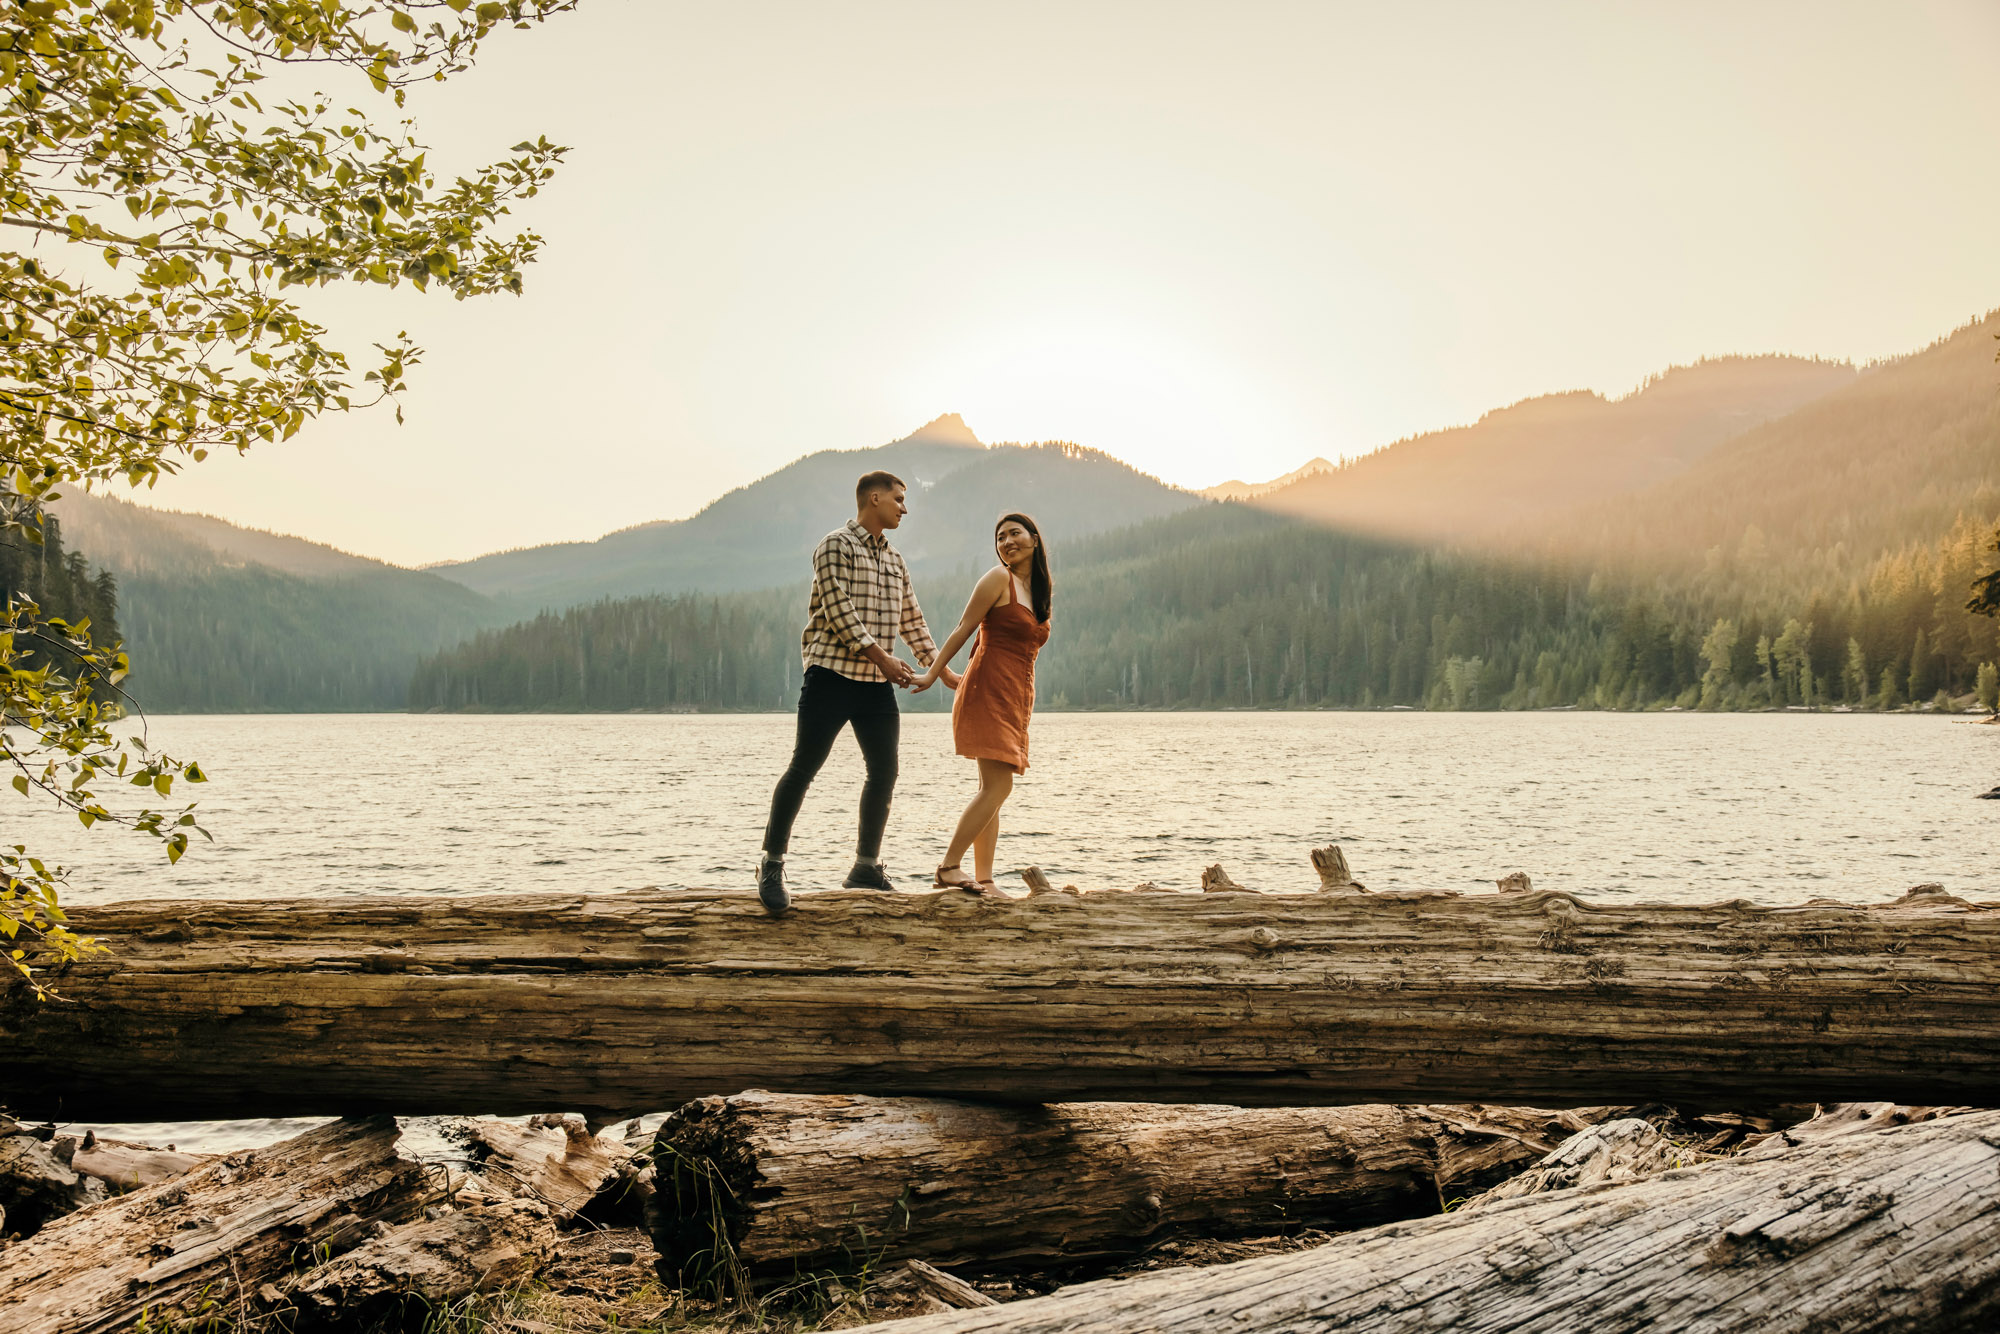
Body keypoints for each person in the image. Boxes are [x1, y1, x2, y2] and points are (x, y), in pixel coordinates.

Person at [757, 471, 957, 914]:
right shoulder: (835, 546)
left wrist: (943, 672)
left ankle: (864, 869)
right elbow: (839, 610)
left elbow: (912, 621)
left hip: (874, 687)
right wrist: (883, 659)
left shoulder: (895, 560)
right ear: (874, 497)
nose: (904, 508)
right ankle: (771, 865)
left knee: (884, 772)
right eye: (899, 499)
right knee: (803, 768)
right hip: (830, 674)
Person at [913, 512, 1053, 891]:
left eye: (1015, 533)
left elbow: (997, 644)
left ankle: (985, 879)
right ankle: (947, 868)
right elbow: (965, 628)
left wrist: (963, 677)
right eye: (1000, 537)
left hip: (1014, 697)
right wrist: (934, 673)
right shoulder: (998, 578)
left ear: (1034, 539)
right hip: (990, 692)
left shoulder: (1037, 591)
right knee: (998, 787)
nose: (1007, 541)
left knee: (992, 791)